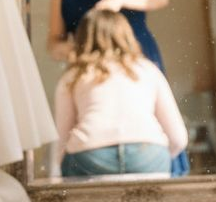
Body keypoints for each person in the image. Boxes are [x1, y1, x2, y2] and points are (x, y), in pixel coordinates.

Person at [48, 0, 190, 175]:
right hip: (89, 68)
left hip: (136, 58)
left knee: (155, 124)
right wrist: (74, 54)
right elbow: (53, 41)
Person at [54, 10, 187, 178]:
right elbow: (178, 138)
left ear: (83, 38)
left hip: (91, 155)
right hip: (147, 153)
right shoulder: (147, 70)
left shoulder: (73, 76)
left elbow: (62, 139)